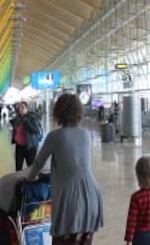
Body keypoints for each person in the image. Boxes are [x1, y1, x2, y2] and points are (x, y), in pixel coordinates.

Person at [26, 93, 103, 244]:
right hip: (91, 196)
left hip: (70, 200)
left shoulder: (55, 136)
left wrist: (29, 178)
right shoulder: (86, 134)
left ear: (58, 112)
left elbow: (38, 163)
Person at [10, 101, 42, 171]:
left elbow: (35, 130)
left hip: (30, 147)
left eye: (22, 107)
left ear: (27, 109)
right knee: (18, 168)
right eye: (19, 107)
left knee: (30, 168)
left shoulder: (32, 117)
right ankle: (19, 181)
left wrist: (26, 121)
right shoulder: (18, 119)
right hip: (19, 146)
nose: (20, 109)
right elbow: (16, 131)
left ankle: (31, 181)